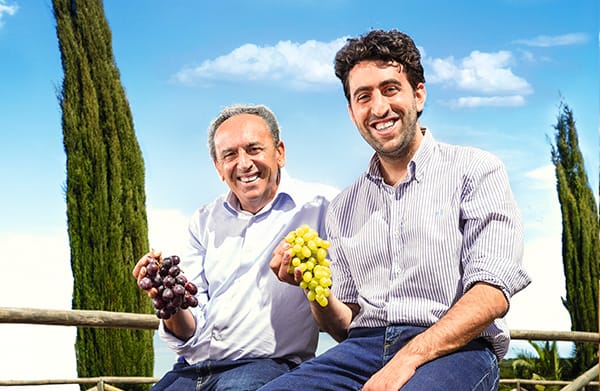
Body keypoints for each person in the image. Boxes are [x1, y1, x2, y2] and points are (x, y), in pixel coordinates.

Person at [264, 29, 531, 391]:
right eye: (363, 96)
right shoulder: (343, 206)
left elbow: (492, 293)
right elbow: (344, 325)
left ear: (418, 95)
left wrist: (407, 359)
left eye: (390, 89)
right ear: (351, 111)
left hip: (456, 350)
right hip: (362, 349)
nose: (378, 108)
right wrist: (314, 289)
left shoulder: (477, 170)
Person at [133, 103, 338, 391]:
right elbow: (190, 326)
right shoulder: (204, 220)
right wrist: (169, 302)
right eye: (229, 155)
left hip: (265, 367)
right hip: (190, 370)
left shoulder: (323, 205)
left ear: (280, 152)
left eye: (254, 149)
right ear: (218, 167)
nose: (243, 164)